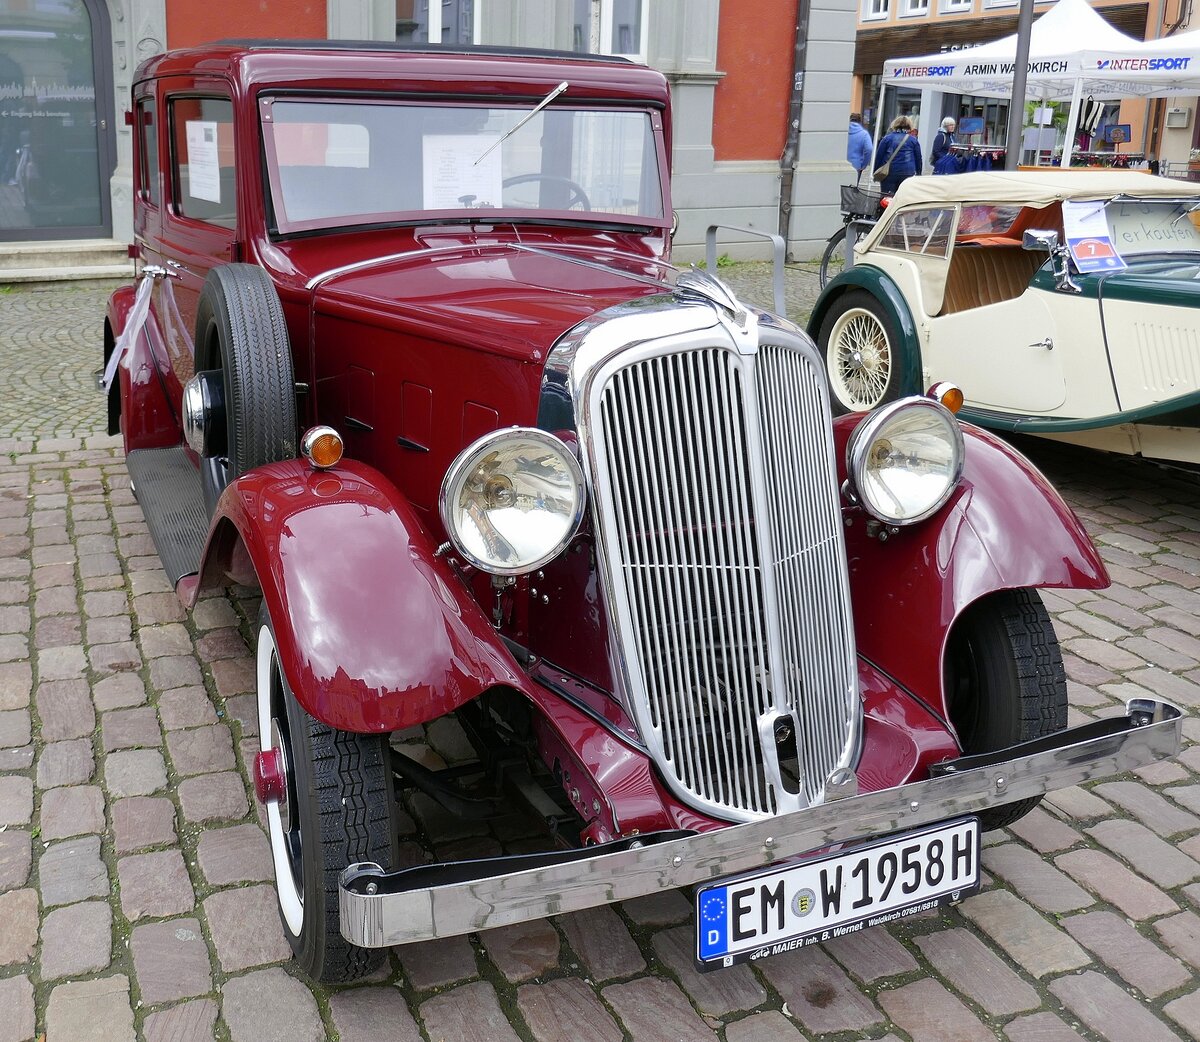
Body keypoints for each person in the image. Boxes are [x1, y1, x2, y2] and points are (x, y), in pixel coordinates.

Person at [874, 115, 922, 196]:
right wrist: (918, 173)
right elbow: (918, 159)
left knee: (887, 197)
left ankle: (885, 209)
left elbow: (879, 157)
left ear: (895, 124)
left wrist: (876, 171)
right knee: (903, 197)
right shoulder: (913, 140)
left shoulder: (887, 139)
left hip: (889, 172)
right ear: (909, 126)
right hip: (907, 172)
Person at [847, 112, 873, 185]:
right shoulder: (864, 134)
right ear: (860, 121)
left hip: (843, 163)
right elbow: (869, 149)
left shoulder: (843, 132)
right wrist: (864, 165)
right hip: (856, 165)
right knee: (852, 190)